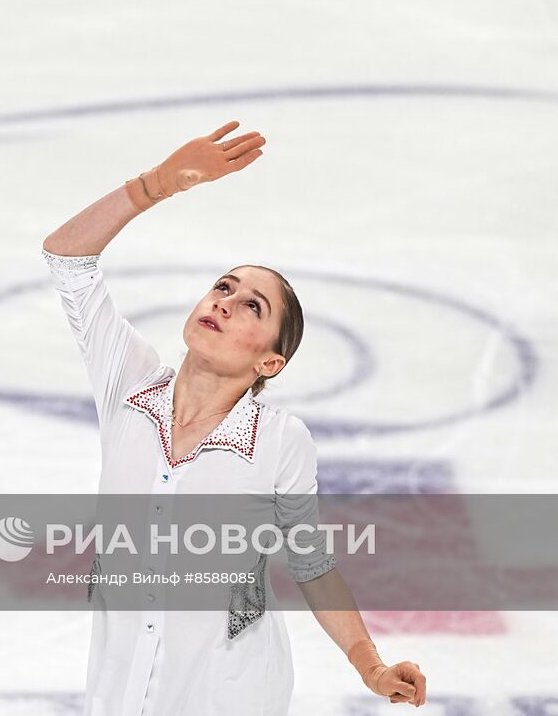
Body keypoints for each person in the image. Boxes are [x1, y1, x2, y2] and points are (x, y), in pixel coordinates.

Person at [41, 121, 427, 714]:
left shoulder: (279, 442)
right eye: (223, 286)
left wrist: (370, 667)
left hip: (232, 696)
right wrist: (156, 185)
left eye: (252, 305)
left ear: (270, 360)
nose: (223, 300)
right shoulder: (130, 385)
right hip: (119, 695)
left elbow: (313, 564)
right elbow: (67, 257)